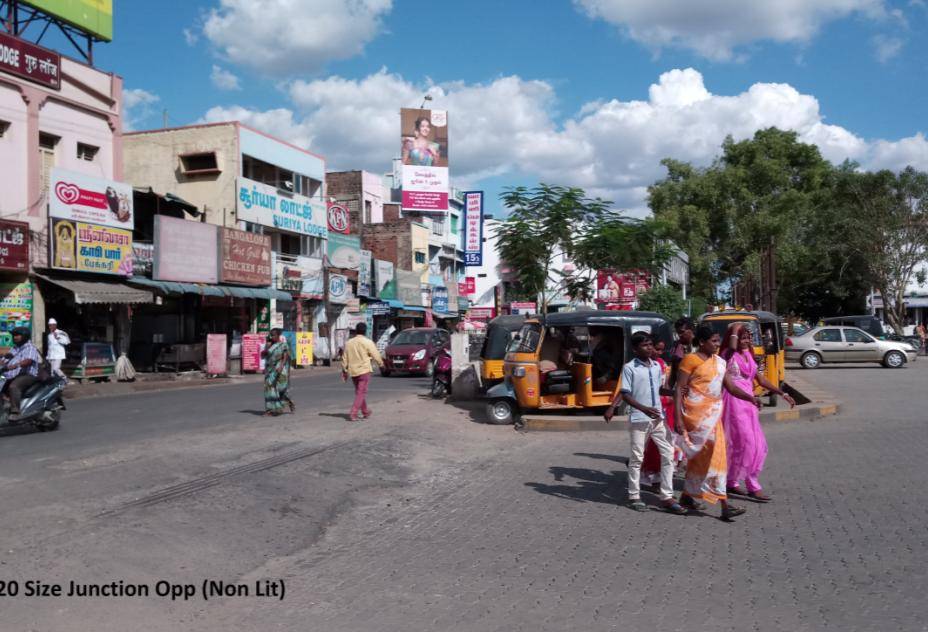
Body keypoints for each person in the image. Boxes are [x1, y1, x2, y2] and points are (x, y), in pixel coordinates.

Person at [674, 325, 756, 521]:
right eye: (714, 341)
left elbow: (731, 387)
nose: (718, 345)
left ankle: (687, 495)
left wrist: (750, 397)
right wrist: (678, 418)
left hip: (713, 416)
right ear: (702, 342)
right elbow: (679, 390)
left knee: (704, 458)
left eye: (719, 341)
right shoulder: (690, 360)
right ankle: (725, 505)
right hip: (696, 416)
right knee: (715, 458)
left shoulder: (719, 362)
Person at [605, 332, 687, 515]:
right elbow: (625, 393)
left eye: (650, 344)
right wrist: (642, 408)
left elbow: (659, 389)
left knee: (668, 454)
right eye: (645, 345)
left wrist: (673, 392)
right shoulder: (629, 368)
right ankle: (634, 496)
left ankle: (667, 496)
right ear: (635, 349)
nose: (649, 348)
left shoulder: (657, 366)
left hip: (658, 419)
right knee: (637, 458)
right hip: (639, 419)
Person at [721, 323, 795, 502]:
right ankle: (752, 485)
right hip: (734, 401)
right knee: (747, 443)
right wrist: (736, 328)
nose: (746, 341)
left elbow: (760, 379)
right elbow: (731, 347)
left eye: (748, 337)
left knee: (752, 444)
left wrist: (782, 393)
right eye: (742, 337)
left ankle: (731, 481)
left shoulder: (749, 354)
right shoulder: (727, 355)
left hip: (750, 403)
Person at [639, 338, 682, 486]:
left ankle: (660, 477)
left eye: (661, 350)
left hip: (664, 407)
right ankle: (650, 474)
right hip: (647, 408)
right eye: (655, 348)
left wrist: (673, 394)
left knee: (666, 443)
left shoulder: (661, 364)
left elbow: (663, 386)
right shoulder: (638, 366)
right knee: (652, 444)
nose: (657, 352)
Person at [342, 323, 384, 421]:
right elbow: (376, 355)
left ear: (356, 331)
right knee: (361, 393)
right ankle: (353, 413)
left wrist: (344, 370)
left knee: (359, 392)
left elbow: (344, 358)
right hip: (364, 370)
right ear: (365, 331)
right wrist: (381, 364)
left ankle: (365, 411)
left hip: (353, 371)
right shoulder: (367, 342)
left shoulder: (349, 343)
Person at [1, 327, 42, 416]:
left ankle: (15, 411)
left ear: (24, 336)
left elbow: (28, 361)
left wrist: (15, 365)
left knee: (14, 386)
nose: (15, 337)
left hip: (27, 375)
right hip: (12, 374)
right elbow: (6, 358)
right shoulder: (15, 348)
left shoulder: (30, 348)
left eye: (17, 335)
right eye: (14, 335)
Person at [261, 329, 293, 416]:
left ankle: (287, 401)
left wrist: (281, 366)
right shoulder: (269, 346)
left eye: (274, 335)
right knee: (269, 389)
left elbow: (285, 357)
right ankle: (270, 410)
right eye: (271, 335)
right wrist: (267, 347)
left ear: (278, 335)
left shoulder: (283, 345)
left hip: (280, 370)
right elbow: (263, 355)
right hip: (270, 370)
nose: (272, 337)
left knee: (281, 389)